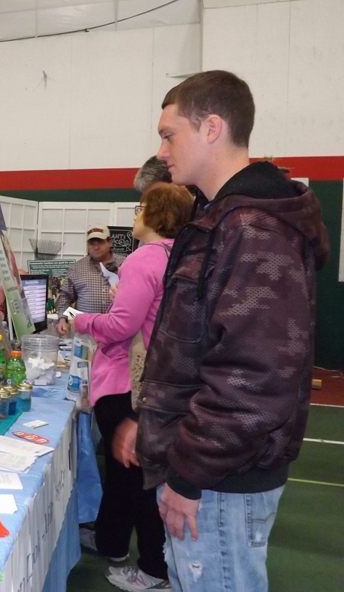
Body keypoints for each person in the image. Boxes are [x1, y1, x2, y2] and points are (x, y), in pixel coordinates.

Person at [136, 70, 330, 592]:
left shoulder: (252, 227)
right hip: (211, 472)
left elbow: (255, 376)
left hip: (219, 481)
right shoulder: (223, 219)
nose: (161, 151)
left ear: (212, 128)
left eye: (169, 134)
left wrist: (189, 472)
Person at [75, 184, 193, 591]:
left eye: (140, 208)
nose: (135, 215)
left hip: (126, 382)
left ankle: (153, 567)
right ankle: (112, 541)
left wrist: (80, 321)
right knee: (126, 474)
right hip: (153, 380)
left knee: (135, 478)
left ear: (156, 214)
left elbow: (121, 326)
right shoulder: (177, 255)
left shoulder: (144, 258)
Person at [56, 224, 126, 335]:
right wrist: (62, 318)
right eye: (92, 243)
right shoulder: (77, 268)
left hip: (118, 331)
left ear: (109, 242)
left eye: (100, 242)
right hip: (86, 333)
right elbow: (65, 296)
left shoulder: (126, 264)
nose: (96, 247)